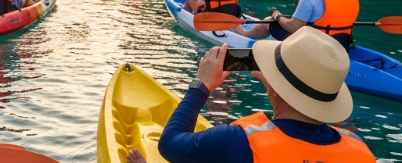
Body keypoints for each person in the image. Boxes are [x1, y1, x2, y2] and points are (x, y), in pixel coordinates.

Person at [128, 27, 376, 163]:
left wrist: (201, 85)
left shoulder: (236, 141)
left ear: (275, 86)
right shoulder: (361, 149)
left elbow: (169, 143)